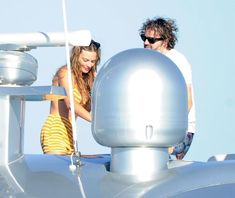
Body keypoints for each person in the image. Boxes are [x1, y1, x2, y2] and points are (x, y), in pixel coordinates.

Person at [139, 17, 196, 159]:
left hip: (179, 129)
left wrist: (170, 134)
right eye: (144, 38)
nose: (146, 42)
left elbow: (187, 101)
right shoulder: (149, 60)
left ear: (165, 41)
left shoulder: (177, 61)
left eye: (152, 40)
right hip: (153, 127)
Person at [40, 40, 101, 155]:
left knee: (70, 172)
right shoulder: (65, 73)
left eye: (93, 61)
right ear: (76, 56)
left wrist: (95, 86)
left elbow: (87, 109)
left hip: (70, 132)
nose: (89, 65)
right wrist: (96, 121)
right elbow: (70, 104)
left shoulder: (87, 79)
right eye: (85, 60)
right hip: (56, 129)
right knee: (58, 171)